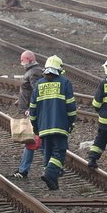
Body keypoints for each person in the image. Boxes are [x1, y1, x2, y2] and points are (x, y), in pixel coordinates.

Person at [29, 55, 76, 190]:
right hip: (60, 125)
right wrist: (71, 122)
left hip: (43, 126)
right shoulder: (65, 83)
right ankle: (49, 173)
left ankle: (52, 182)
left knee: (48, 152)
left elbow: (32, 108)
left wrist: (35, 126)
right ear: (59, 70)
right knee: (59, 152)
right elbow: (71, 106)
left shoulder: (39, 84)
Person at [13, 50, 44, 180]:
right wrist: (20, 101)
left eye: (23, 61)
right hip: (30, 110)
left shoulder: (34, 72)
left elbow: (37, 92)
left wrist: (31, 108)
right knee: (32, 141)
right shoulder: (32, 71)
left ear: (29, 60)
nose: (22, 64)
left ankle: (53, 167)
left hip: (32, 112)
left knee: (36, 141)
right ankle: (23, 170)